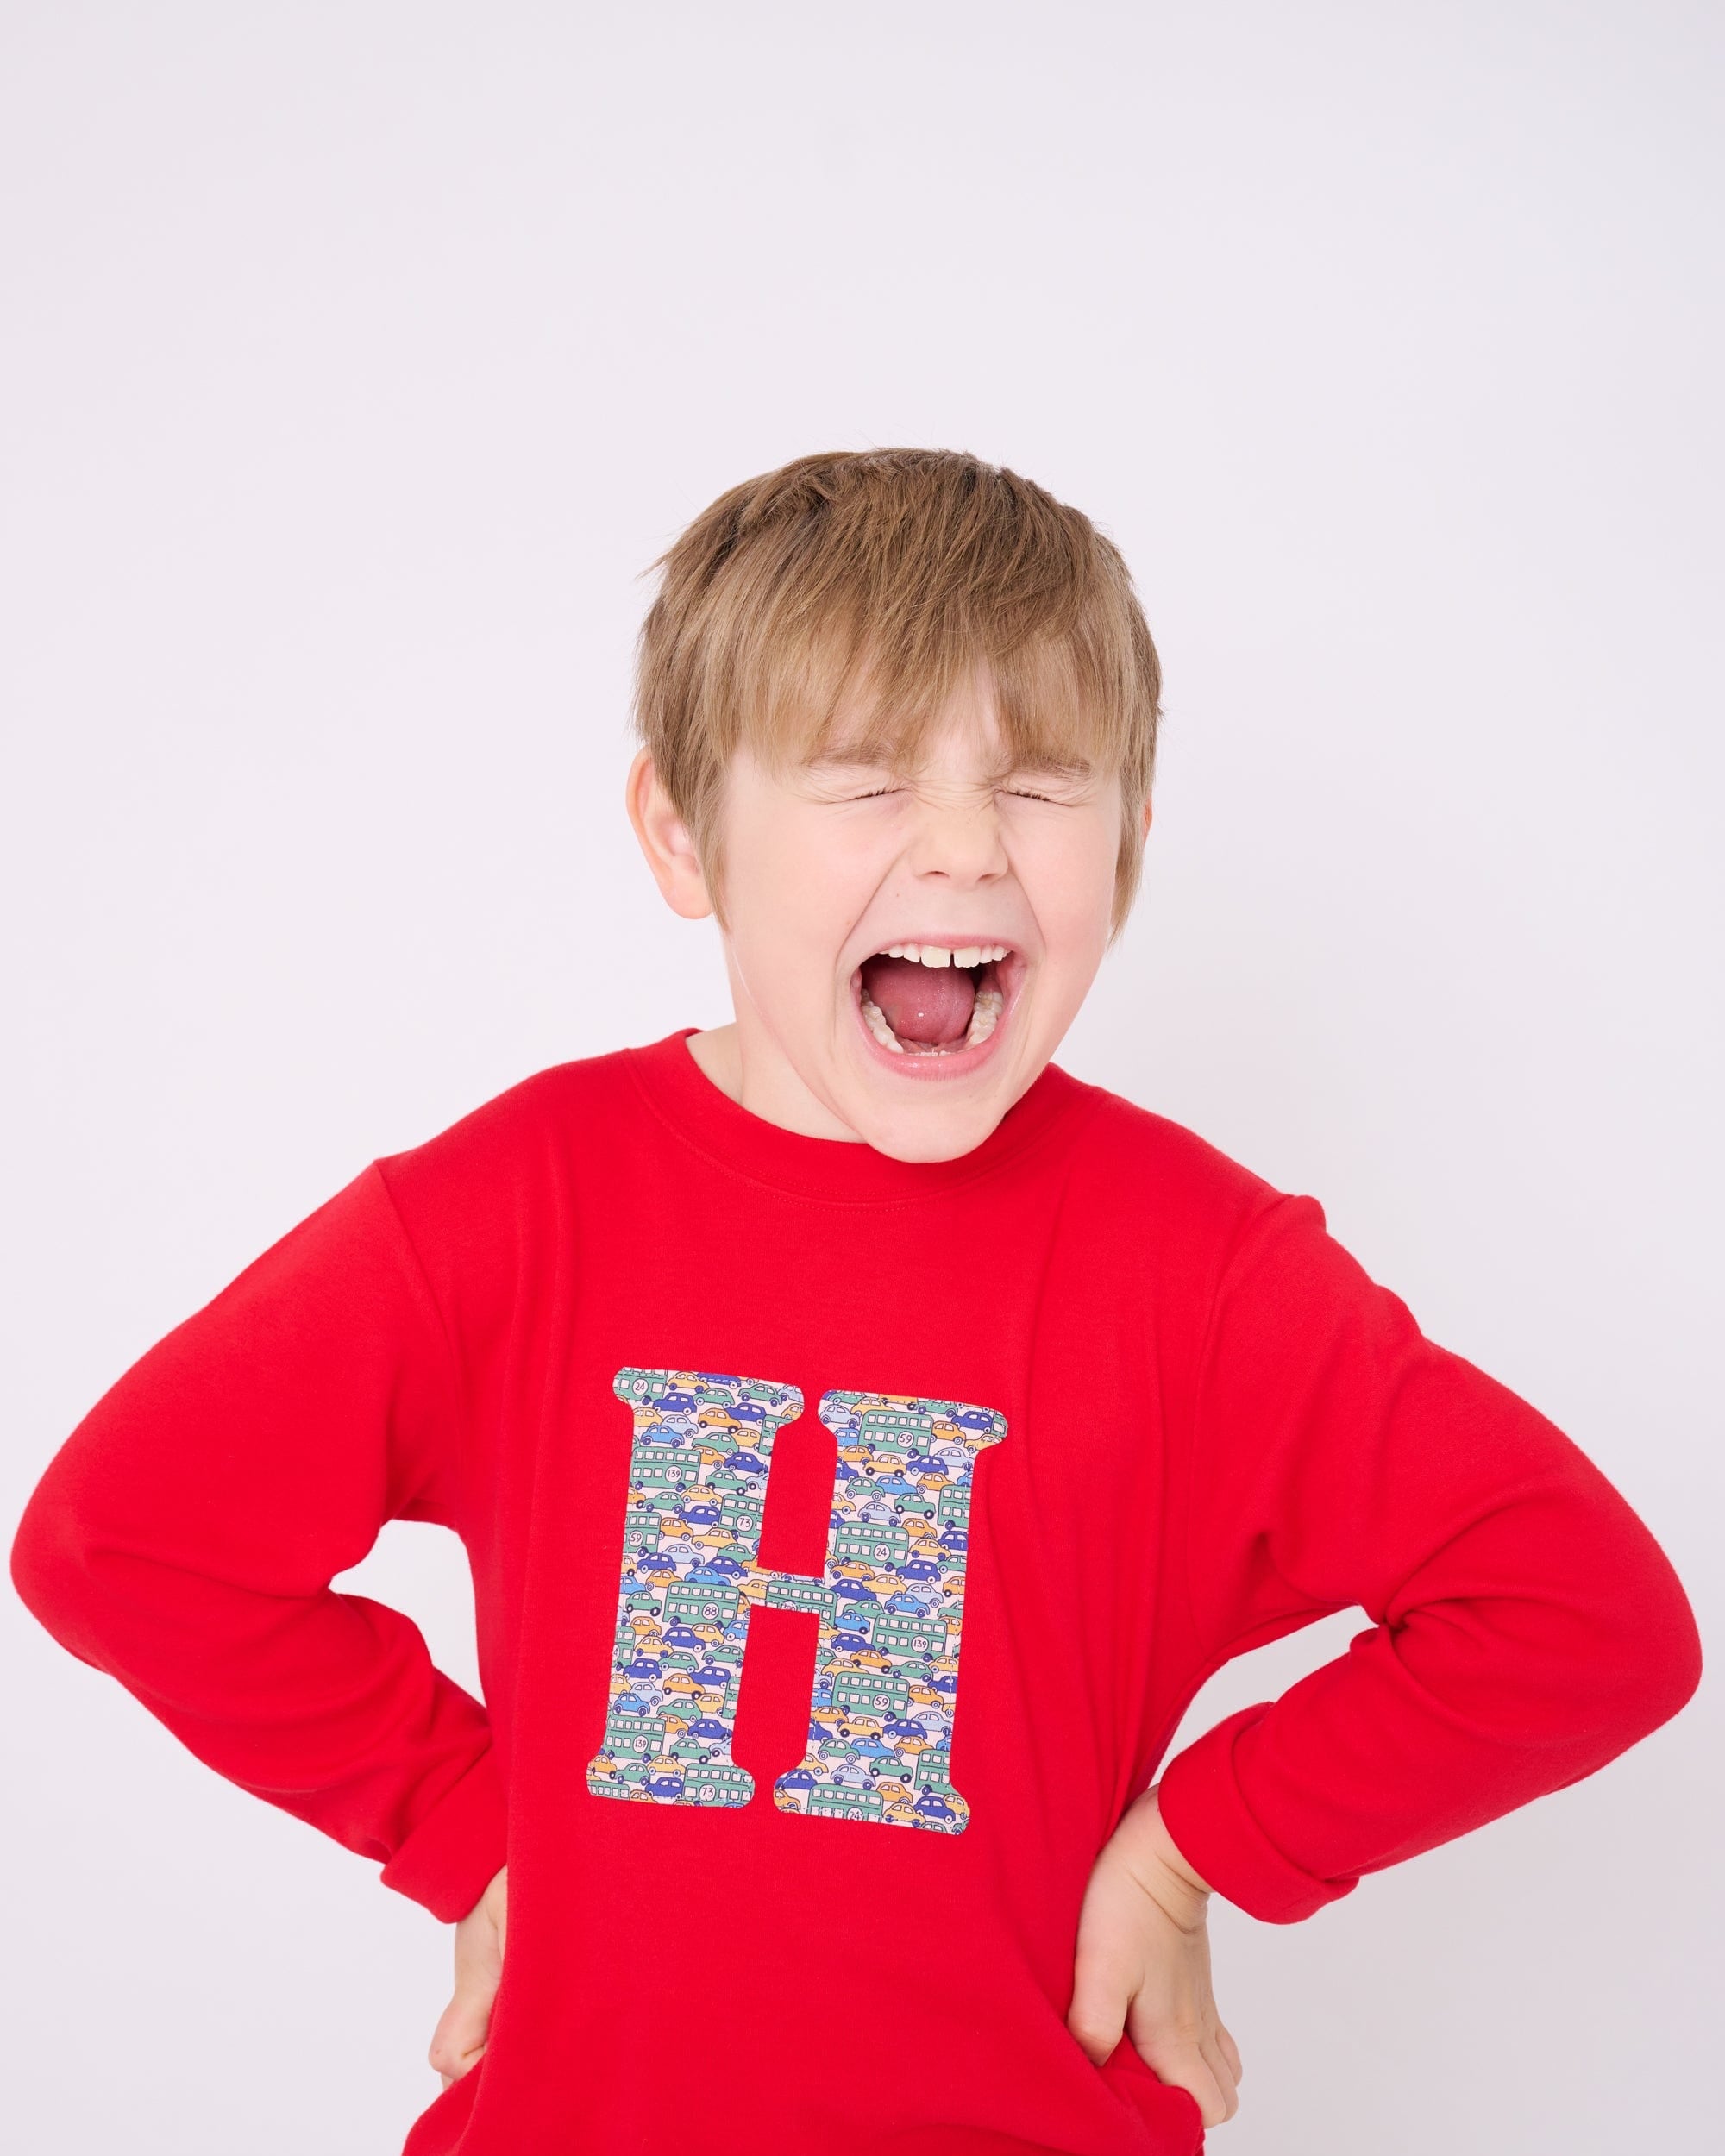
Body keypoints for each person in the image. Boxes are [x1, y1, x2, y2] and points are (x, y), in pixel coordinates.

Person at [9, 449, 1702, 2156]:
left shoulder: (1202, 1267)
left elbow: (1585, 1619)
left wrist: (1199, 1844)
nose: (966, 847)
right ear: (682, 831)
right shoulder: (514, 1209)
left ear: (1126, 847)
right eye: (866, 778)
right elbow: (123, 1537)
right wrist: (461, 1822)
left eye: (1041, 784)